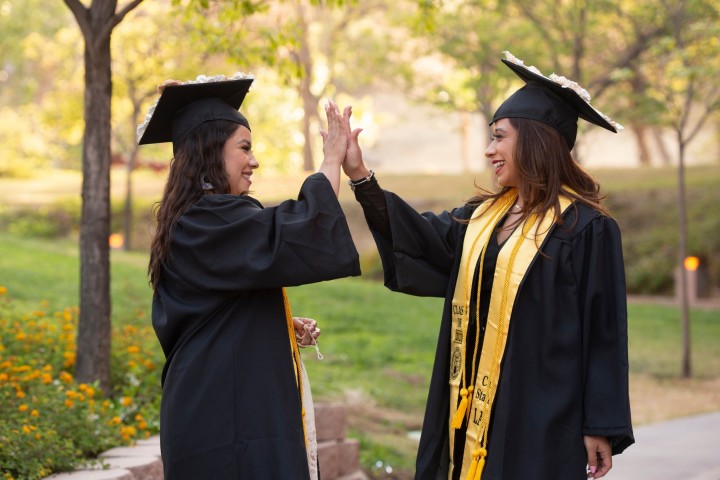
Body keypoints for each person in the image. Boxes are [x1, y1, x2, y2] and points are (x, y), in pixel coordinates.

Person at [341, 51, 634, 480]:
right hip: (469, 401)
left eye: (499, 137)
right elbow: (417, 237)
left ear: (535, 140)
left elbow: (605, 330)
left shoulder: (587, 228)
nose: (488, 150)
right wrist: (361, 176)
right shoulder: (480, 218)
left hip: (542, 410)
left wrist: (599, 425)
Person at [138, 73, 361, 479]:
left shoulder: (201, 220)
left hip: (230, 408)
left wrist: (273, 322)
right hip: (221, 420)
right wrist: (331, 162)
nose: (254, 161)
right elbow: (290, 233)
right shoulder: (205, 221)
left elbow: (210, 307)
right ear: (209, 151)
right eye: (244, 148)